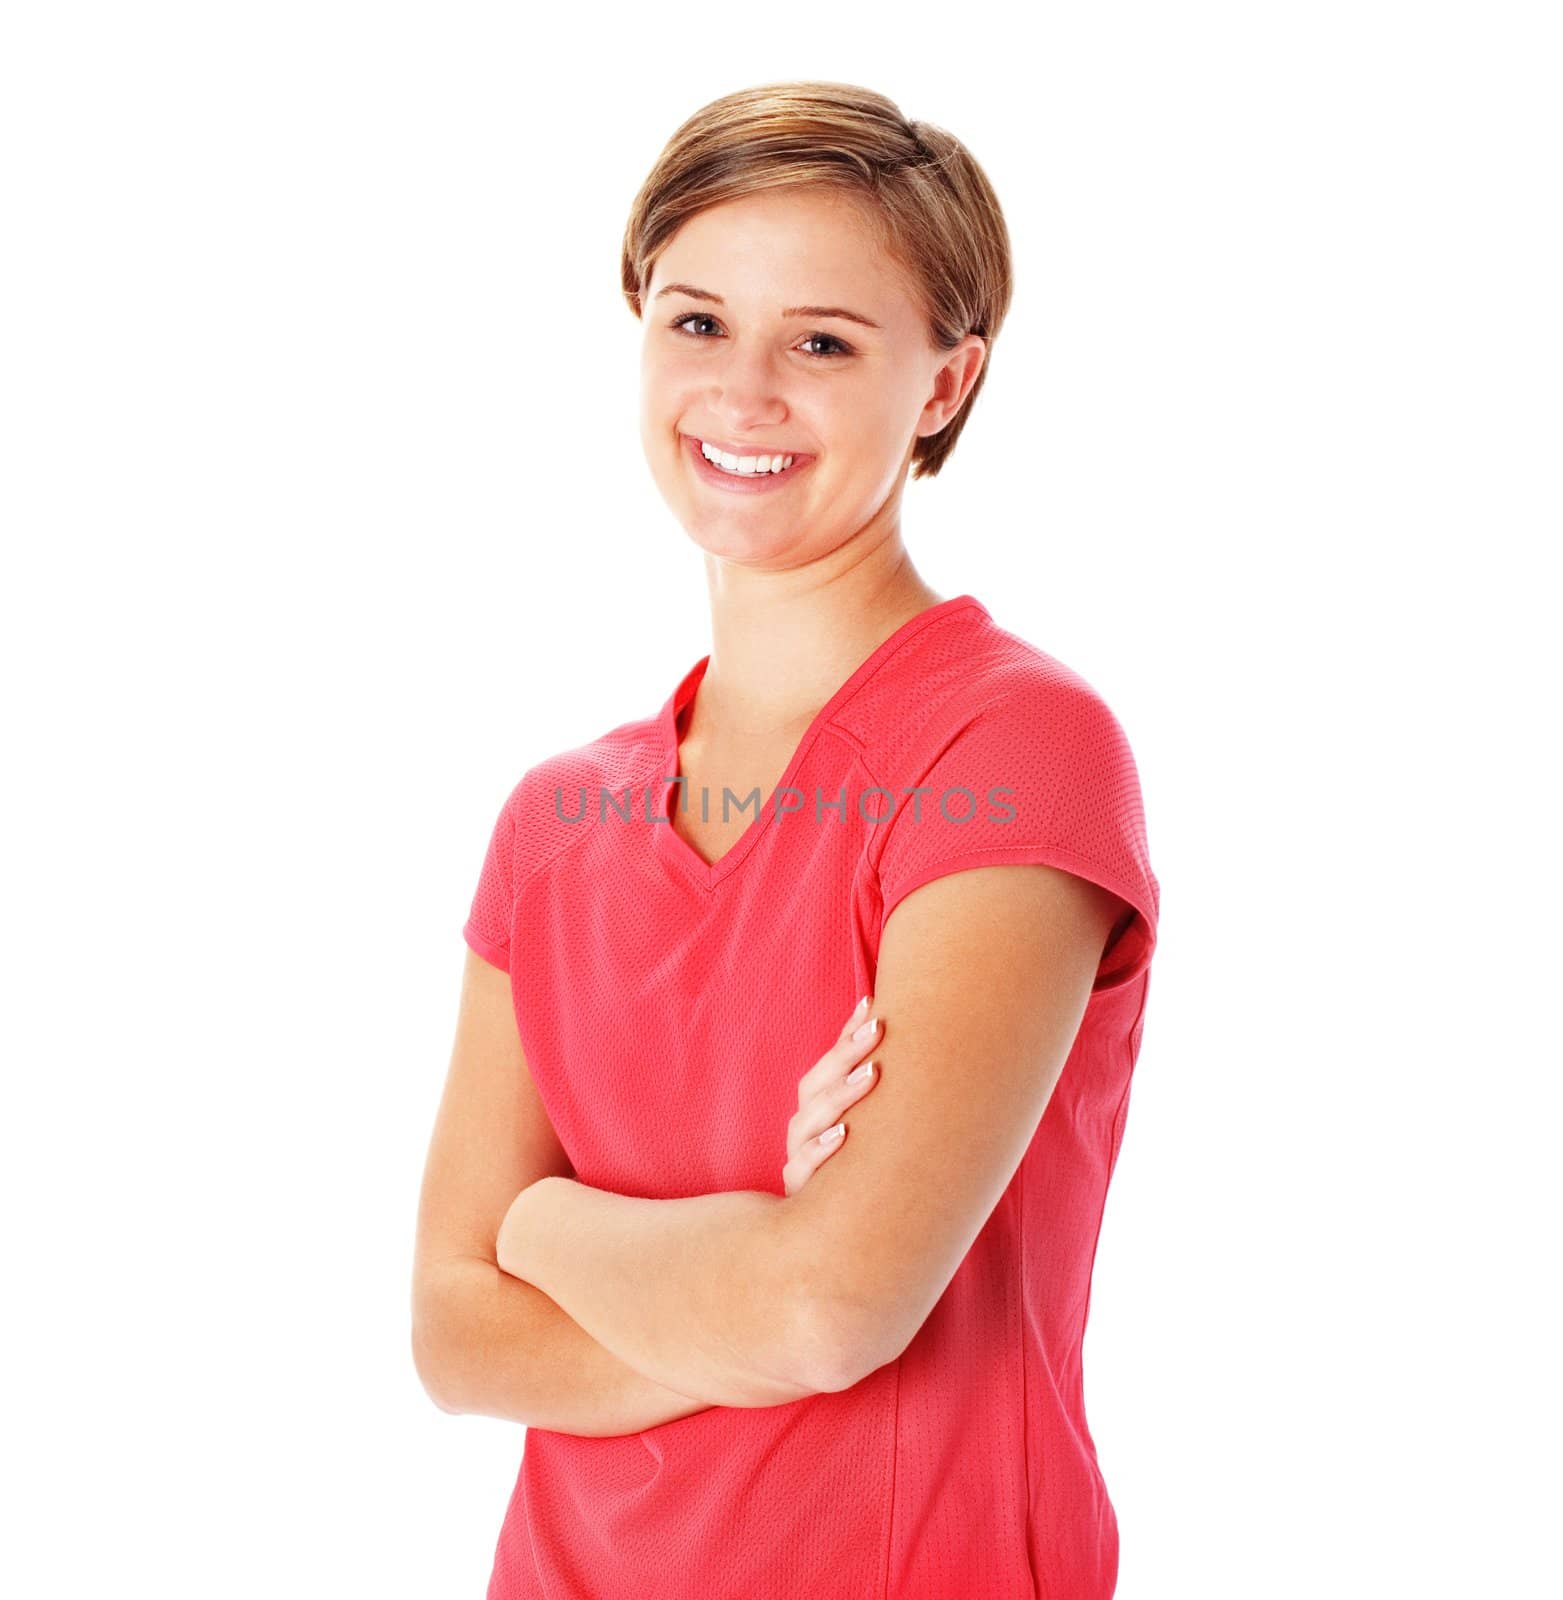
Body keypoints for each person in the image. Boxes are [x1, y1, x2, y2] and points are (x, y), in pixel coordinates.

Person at [412, 80, 1160, 1600]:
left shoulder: (1007, 752)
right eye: (697, 323)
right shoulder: (556, 824)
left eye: (823, 341)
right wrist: (738, 1267)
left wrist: (549, 1227)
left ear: (945, 385)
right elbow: (449, 1332)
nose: (744, 393)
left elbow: (831, 1312)